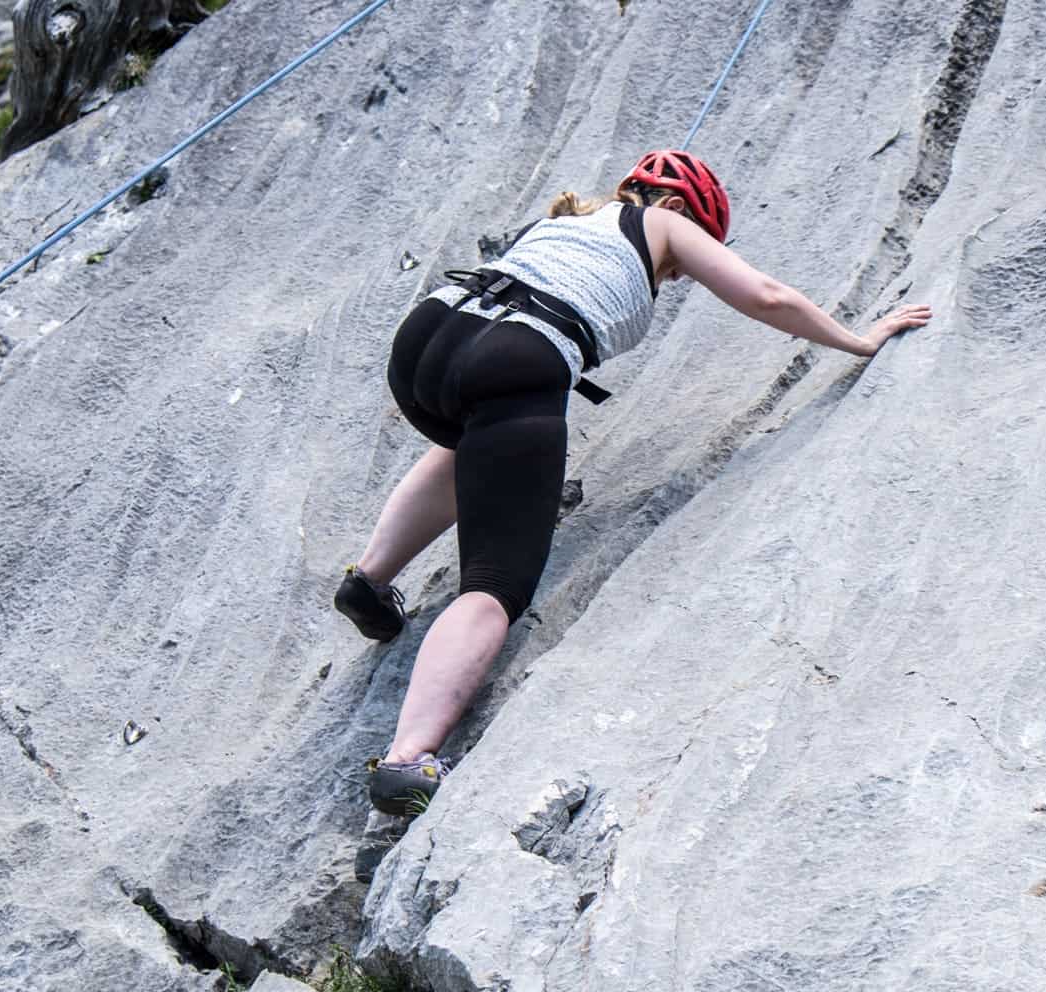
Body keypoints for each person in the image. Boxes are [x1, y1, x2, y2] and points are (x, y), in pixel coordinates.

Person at [335, 150, 932, 814]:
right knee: (493, 584)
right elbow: (766, 296)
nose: (675, 276)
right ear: (675, 209)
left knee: (467, 440)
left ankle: (370, 581)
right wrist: (858, 340)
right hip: (515, 357)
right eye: (683, 261)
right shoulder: (665, 226)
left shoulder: (563, 223)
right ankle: (407, 761)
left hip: (430, 338)